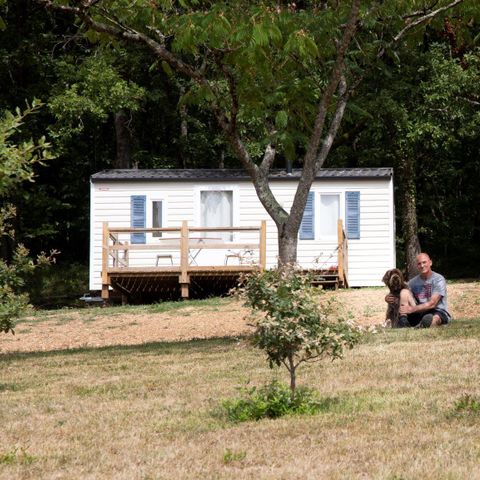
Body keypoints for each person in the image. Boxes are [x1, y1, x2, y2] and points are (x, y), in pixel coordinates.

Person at [386, 252, 451, 328]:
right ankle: (403, 320)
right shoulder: (413, 282)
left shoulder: (438, 279)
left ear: (430, 263)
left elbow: (432, 304)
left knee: (435, 318)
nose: (422, 265)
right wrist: (388, 298)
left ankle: (426, 324)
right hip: (419, 312)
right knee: (404, 291)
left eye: (424, 262)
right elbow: (399, 290)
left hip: (437, 311)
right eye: (419, 264)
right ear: (417, 266)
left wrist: (411, 309)